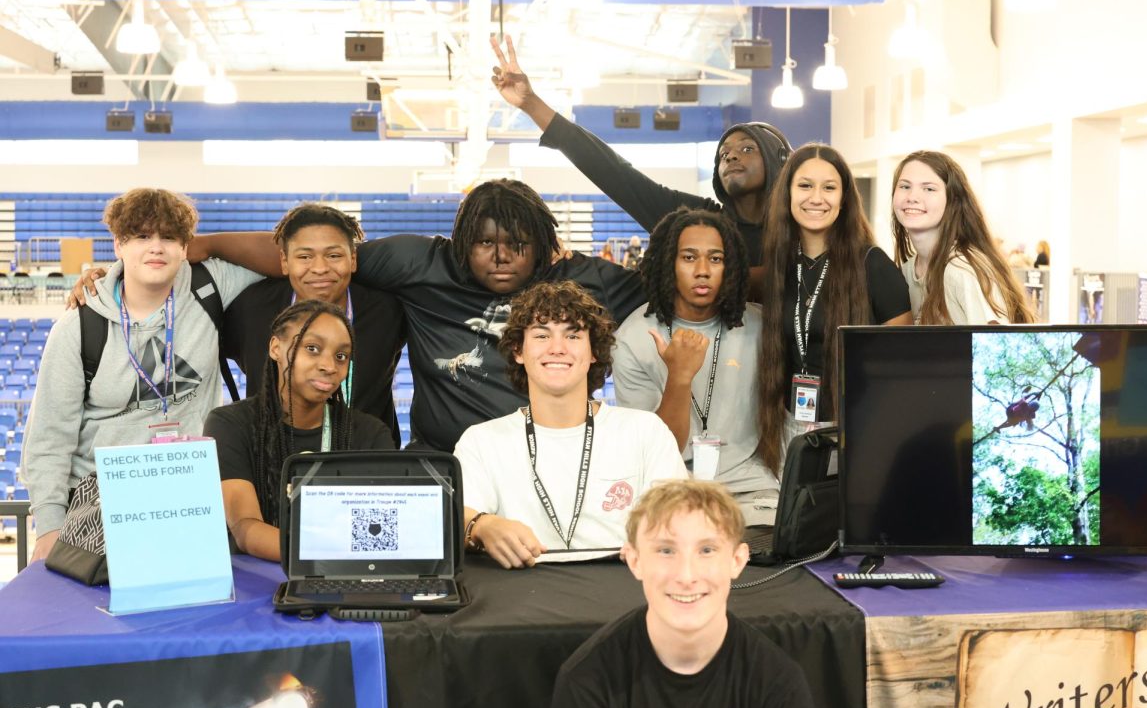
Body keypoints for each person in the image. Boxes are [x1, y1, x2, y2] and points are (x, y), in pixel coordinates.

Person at [186, 179, 645, 453]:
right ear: (464, 242)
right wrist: (204, 246)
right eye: (485, 243)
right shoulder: (420, 263)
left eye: (519, 244)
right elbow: (324, 257)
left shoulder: (586, 277)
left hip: (551, 454)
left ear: (544, 244)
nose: (502, 257)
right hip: (443, 461)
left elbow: (675, 288)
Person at [22, 188, 261, 561]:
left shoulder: (208, 287)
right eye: (141, 236)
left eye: (169, 237)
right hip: (102, 505)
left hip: (188, 498)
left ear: (185, 247)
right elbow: (49, 439)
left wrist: (210, 244)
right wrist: (50, 528)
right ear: (118, 245)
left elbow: (288, 254)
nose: (156, 247)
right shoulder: (79, 325)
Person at [540, 480, 826, 708]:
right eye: (666, 550)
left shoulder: (777, 682)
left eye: (707, 550)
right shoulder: (588, 678)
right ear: (634, 560)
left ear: (737, 560)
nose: (686, 575)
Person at [491, 35, 791, 266]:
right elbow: (616, 173)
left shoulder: (802, 228)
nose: (732, 156)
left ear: (778, 161)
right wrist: (532, 105)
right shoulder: (698, 219)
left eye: (747, 148)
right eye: (723, 154)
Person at [454, 281, 687, 569]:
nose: (557, 348)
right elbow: (455, 516)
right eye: (541, 335)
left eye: (573, 336)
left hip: (624, 590)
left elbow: (680, 520)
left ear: (593, 352)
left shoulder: (645, 431)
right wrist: (482, 525)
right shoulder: (482, 441)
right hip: (521, 594)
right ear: (518, 350)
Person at [612, 208, 778, 523]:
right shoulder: (634, 337)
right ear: (668, 264)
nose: (703, 270)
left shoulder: (762, 328)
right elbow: (656, 450)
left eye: (715, 259)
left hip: (751, 492)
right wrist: (680, 376)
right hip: (669, 488)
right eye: (689, 258)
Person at [756, 144, 912, 473]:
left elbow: (900, 369)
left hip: (856, 433)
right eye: (804, 185)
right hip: (789, 430)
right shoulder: (779, 268)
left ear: (844, 199)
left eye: (829, 187)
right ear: (787, 194)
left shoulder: (873, 266)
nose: (816, 198)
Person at [204, 300, 395, 561]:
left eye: (341, 356)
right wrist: (328, 555)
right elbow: (245, 529)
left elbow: (380, 532)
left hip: (345, 579)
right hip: (261, 583)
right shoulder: (230, 424)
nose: (329, 366)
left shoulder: (370, 433)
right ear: (275, 348)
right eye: (312, 349)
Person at [220, 203, 408, 444]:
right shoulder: (250, 308)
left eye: (334, 255)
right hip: (270, 461)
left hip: (363, 460)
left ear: (352, 259)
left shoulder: (388, 311)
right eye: (305, 256)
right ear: (284, 261)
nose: (320, 268)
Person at [891, 150, 1037, 326]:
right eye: (905, 186)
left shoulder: (961, 269)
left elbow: (993, 344)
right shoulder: (907, 271)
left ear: (953, 200)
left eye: (928, 188)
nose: (912, 197)